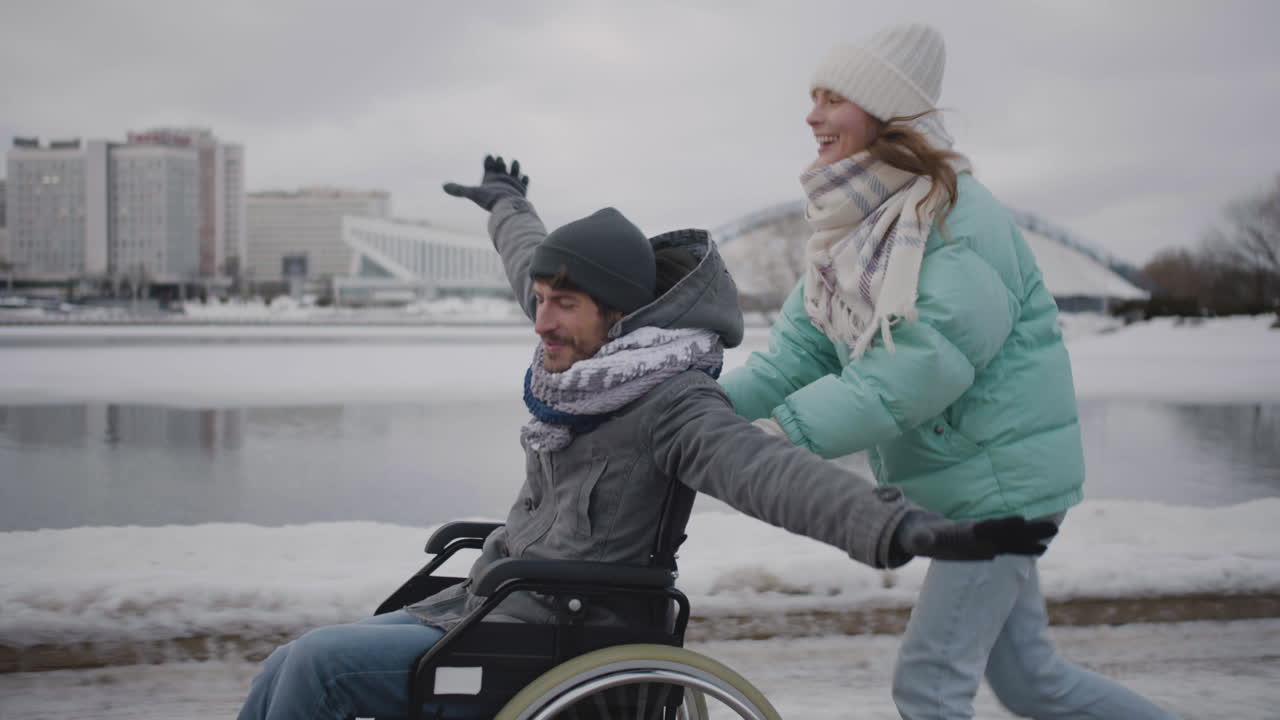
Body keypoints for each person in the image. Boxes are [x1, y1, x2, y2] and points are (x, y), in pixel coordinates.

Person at [236, 155, 1056, 720]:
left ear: (618, 315)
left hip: (562, 633)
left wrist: (899, 525)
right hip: (494, 602)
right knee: (291, 660)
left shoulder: (672, 401)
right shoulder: (582, 357)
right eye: (542, 299)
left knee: (317, 666)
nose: (542, 317)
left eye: (564, 302)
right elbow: (530, 262)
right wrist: (508, 207)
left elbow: (769, 473)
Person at [718, 22, 1179, 720]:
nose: (811, 115)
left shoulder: (956, 219)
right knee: (1033, 684)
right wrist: (700, 406)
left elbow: (922, 366)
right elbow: (800, 350)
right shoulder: (856, 225)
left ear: (885, 112)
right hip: (972, 487)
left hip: (1004, 493)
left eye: (833, 98)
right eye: (813, 97)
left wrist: (784, 435)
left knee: (930, 684)